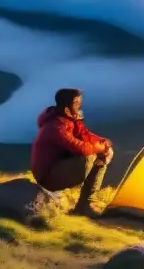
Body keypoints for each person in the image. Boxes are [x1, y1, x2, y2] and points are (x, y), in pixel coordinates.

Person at [30, 88, 114, 216]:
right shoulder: (57, 126)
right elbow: (80, 147)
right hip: (48, 177)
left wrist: (104, 143)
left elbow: (84, 134)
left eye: (80, 101)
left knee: (100, 153)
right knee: (89, 156)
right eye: (76, 102)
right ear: (66, 109)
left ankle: (85, 205)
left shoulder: (68, 119)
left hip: (59, 166)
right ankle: (84, 206)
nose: (80, 105)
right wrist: (100, 148)